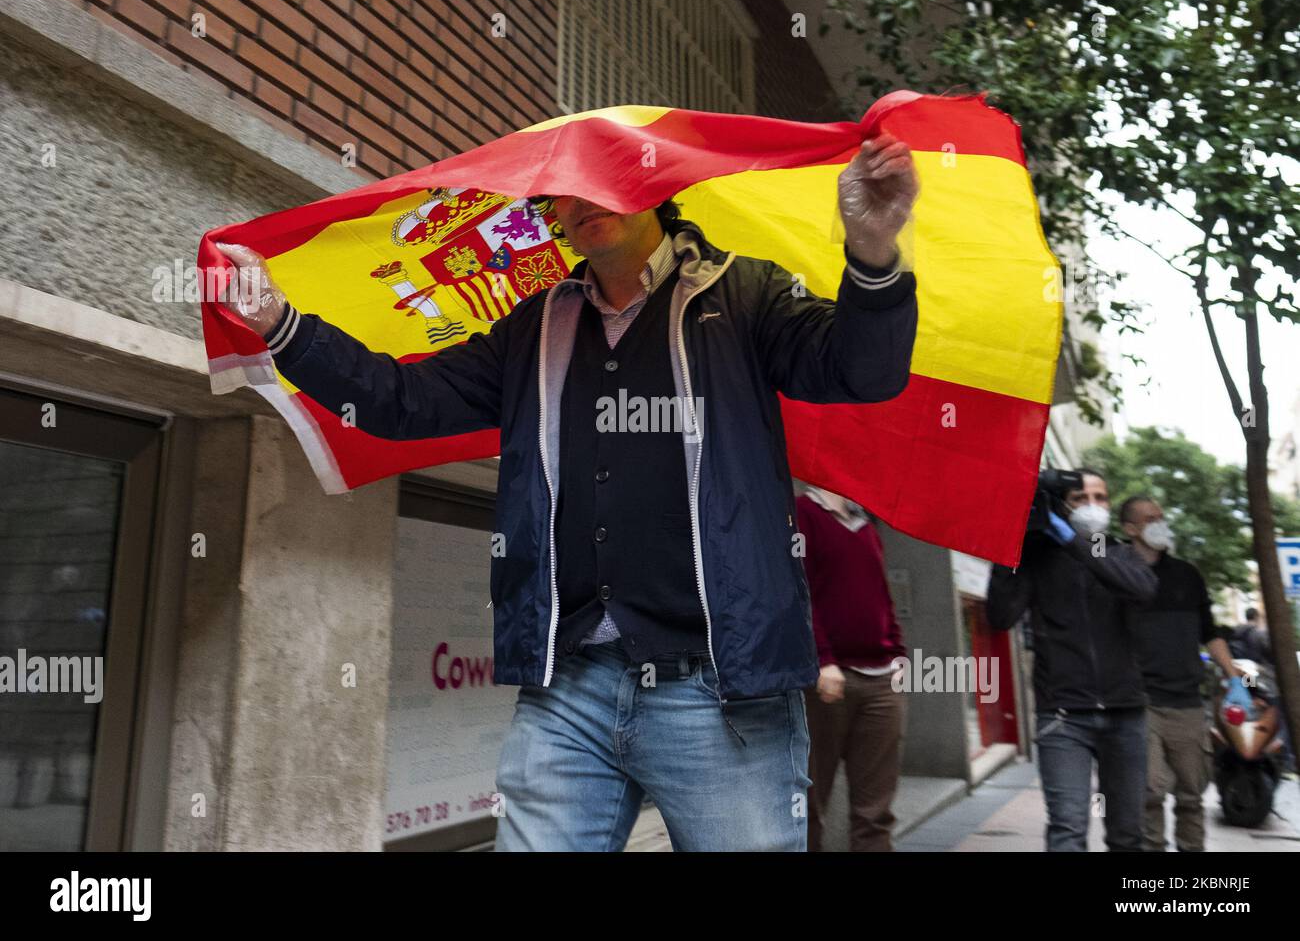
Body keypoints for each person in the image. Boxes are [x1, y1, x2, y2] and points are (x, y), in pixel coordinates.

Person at [217, 134, 920, 851]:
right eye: (562, 191)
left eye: (601, 179)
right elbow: (405, 402)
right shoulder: (534, 326)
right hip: (568, 692)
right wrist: (281, 324)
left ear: (652, 187)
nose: (581, 200)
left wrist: (872, 253)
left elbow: (863, 371)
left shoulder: (743, 294)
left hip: (719, 690)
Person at [986, 468, 1158, 851]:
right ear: (1062, 506)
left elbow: (1141, 590)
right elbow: (1000, 616)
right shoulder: (1037, 558)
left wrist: (1070, 540)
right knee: (1067, 829)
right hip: (1062, 716)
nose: (1092, 505)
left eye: (1100, 497)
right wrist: (1009, 546)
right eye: (1081, 498)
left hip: (1126, 714)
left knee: (1128, 833)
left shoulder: (1121, 553)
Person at [1118, 496, 1242, 852]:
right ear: (1130, 529)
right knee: (1150, 791)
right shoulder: (1117, 574)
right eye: (1150, 518)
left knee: (1191, 795)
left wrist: (1235, 678)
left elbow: (1210, 633)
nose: (1160, 523)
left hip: (1187, 703)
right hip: (1140, 703)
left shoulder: (1187, 575)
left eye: (1161, 516)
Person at [796, 483, 906, 851]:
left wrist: (899, 656)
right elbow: (800, 591)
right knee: (809, 804)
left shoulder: (867, 526)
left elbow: (883, 598)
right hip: (826, 681)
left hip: (882, 681)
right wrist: (823, 659)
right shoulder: (802, 513)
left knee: (875, 812)